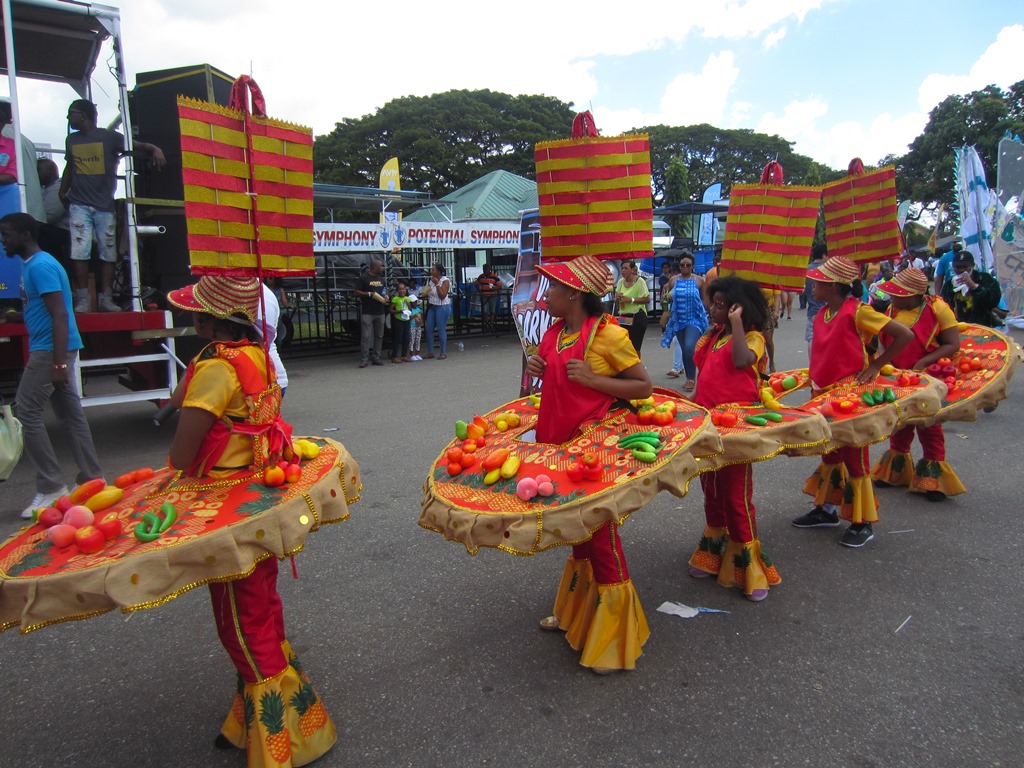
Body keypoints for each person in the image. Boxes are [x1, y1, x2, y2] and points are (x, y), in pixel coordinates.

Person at [165, 274, 337, 767]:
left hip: (225, 505)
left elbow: (181, 454)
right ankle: (270, 717)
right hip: (260, 496)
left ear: (207, 320)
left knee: (240, 620)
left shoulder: (217, 369)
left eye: (195, 312)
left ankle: (284, 741)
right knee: (261, 605)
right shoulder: (256, 355)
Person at [525, 254, 653, 674]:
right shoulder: (555, 332)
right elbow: (551, 378)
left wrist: (594, 380)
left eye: (554, 289)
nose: (547, 295)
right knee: (577, 529)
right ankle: (579, 615)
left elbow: (642, 385)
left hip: (594, 449)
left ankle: (615, 639)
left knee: (599, 531)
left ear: (575, 294)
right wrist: (535, 367)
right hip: (558, 445)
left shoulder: (609, 335)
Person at [791, 255, 913, 547]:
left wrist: (876, 366)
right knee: (830, 454)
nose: (812, 286)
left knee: (855, 457)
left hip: (850, 397)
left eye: (817, 282)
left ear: (832, 286)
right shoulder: (822, 313)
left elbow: (903, 335)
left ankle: (863, 522)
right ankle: (828, 510)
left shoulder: (858, 311)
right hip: (824, 396)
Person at [0, 212, 103, 518]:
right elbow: (46, 309)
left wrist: (58, 363)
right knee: (70, 415)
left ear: (26, 235)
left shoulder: (41, 265)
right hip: (54, 349)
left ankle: (51, 486)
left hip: (49, 351)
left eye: (6, 234)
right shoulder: (37, 264)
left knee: (27, 413)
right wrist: (13, 316)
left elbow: (60, 314)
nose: (3, 240)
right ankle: (92, 478)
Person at [688, 276, 779, 601]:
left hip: (738, 429)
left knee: (736, 496)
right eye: (713, 302)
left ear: (739, 309)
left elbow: (742, 361)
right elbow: (704, 378)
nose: (713, 308)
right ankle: (714, 547)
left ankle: (747, 563)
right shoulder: (711, 338)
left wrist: (737, 322)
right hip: (708, 425)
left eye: (722, 305)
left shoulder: (751, 338)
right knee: (711, 489)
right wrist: (691, 410)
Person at [59, 99, 165, 313]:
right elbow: (70, 167)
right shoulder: (72, 139)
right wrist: (63, 190)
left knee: (107, 252)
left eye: (72, 113)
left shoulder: (110, 137)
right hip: (79, 203)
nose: (69, 118)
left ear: (84, 115)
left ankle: (105, 298)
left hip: (103, 204)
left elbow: (137, 145)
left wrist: (155, 149)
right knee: (80, 250)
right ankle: (83, 299)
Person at [869, 268, 965, 502]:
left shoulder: (938, 308)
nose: (891, 298)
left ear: (913, 295)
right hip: (897, 376)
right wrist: (884, 361)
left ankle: (933, 481)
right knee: (899, 421)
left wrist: (923, 362)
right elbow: (883, 341)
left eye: (897, 294)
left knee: (928, 425)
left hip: (926, 377)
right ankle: (896, 471)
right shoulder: (893, 309)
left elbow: (952, 343)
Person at [660, 253, 708, 392]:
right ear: (679, 266)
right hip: (679, 320)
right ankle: (689, 377)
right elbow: (668, 299)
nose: (685, 267)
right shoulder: (673, 281)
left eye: (688, 265)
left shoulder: (699, 281)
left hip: (694, 320)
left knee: (688, 347)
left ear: (692, 266)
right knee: (686, 351)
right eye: (682, 265)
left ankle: (692, 378)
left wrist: (712, 315)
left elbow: (705, 301)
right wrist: (665, 300)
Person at [0, 100, 44, 224]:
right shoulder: (25, 140)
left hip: (12, 208)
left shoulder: (8, 136)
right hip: (32, 209)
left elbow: (13, 176)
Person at [940, 251, 1002, 326]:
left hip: (982, 327)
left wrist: (974, 286)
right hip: (959, 328)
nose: (961, 270)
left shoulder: (986, 279)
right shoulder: (949, 285)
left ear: (972, 266)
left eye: (965, 267)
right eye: (957, 267)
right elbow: (944, 308)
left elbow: (993, 302)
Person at [257, 280, 289, 395]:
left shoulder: (268, 294)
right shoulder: (265, 291)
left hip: (269, 381)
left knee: (276, 340)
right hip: (273, 379)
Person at [36, 157, 69, 265]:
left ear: (50, 170)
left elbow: (49, 217)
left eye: (38, 169)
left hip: (62, 233)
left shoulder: (57, 188)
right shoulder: (47, 189)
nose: (35, 173)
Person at [355, 258, 387, 367]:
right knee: (366, 336)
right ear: (375, 267)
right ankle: (364, 358)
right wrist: (368, 294)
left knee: (379, 335)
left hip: (380, 311)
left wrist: (386, 296)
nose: (382, 268)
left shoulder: (381, 279)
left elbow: (384, 291)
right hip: (367, 312)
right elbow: (356, 292)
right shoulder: (364, 278)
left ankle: (376, 357)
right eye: (381, 266)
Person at [614, 259, 650, 355]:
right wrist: (617, 298)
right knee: (624, 345)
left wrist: (631, 300)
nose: (623, 271)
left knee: (635, 346)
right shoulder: (621, 282)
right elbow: (616, 299)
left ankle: (637, 366)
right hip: (624, 316)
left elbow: (647, 299)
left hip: (637, 315)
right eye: (622, 268)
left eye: (626, 268)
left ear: (632, 269)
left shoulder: (640, 281)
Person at [423, 262, 452, 359]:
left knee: (440, 328)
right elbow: (426, 292)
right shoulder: (431, 281)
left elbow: (442, 296)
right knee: (428, 328)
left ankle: (443, 352)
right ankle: (430, 351)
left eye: (433, 270)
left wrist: (437, 284)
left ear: (439, 272)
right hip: (432, 306)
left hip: (442, 306)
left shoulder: (445, 281)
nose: (432, 271)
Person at [804, 244, 828, 358]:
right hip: (830, 310)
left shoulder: (807, 270)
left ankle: (812, 365)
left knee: (812, 338)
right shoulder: (828, 269)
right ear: (824, 254)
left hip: (812, 309)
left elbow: (801, 291)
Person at [389, 279, 413, 363]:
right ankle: (394, 355)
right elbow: (391, 310)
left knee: (406, 337)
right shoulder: (395, 299)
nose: (402, 290)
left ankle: (404, 355)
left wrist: (408, 304)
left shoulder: (407, 298)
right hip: (398, 319)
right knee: (398, 337)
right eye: (400, 289)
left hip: (406, 319)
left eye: (404, 289)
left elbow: (410, 309)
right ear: (397, 290)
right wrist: (399, 311)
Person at [476, 263, 501, 333]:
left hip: (492, 296)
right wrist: (479, 291)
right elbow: (476, 283)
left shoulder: (494, 277)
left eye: (486, 269)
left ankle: (491, 323)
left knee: (492, 310)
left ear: (489, 270)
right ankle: (487, 324)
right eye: (484, 269)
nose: (485, 271)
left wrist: (494, 288)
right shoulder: (481, 277)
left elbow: (499, 285)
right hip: (484, 296)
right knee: (485, 311)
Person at [408, 293, 423, 360]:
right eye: (413, 302)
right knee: (412, 340)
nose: (415, 303)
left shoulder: (418, 309)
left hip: (418, 326)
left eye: (416, 302)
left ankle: (417, 353)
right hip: (412, 326)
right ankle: (411, 354)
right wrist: (414, 315)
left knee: (418, 339)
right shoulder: (409, 310)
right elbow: (408, 318)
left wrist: (420, 321)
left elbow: (421, 317)